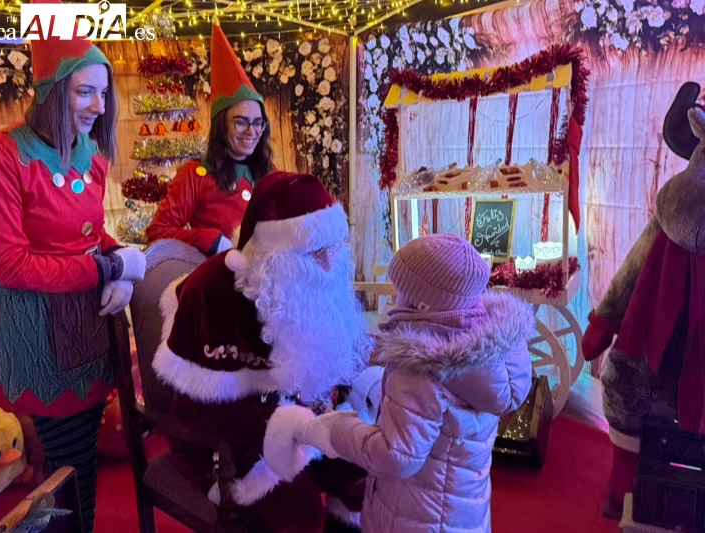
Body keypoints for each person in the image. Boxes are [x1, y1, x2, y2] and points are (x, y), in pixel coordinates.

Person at [0, 3, 145, 530]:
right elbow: (12, 265)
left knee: (82, 460)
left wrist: (120, 258)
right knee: (61, 467)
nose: (98, 106)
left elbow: (89, 234)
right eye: (84, 91)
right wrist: (108, 271)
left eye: (103, 92)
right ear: (51, 90)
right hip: (38, 337)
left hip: (86, 327)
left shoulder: (91, 153)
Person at [153, 171, 372, 532]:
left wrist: (331, 411)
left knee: (361, 472)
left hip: (298, 413)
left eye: (331, 248)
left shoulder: (318, 278)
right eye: (313, 253)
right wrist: (296, 426)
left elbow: (327, 366)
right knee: (300, 512)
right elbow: (203, 407)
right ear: (274, 253)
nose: (328, 266)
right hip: (224, 436)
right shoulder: (212, 292)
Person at [271, 234, 534, 533]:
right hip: (463, 515)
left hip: (413, 518)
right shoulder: (489, 353)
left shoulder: (420, 367)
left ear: (420, 303)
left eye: (400, 289)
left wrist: (334, 429)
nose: (395, 297)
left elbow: (396, 456)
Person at [581, 82, 705, 518]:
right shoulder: (666, 222)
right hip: (646, 355)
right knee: (623, 387)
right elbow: (632, 269)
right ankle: (623, 483)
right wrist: (604, 320)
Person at [145, 23, 274, 256]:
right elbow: (158, 231)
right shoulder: (195, 174)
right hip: (221, 275)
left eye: (258, 123)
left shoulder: (268, 171)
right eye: (241, 122)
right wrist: (208, 239)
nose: (252, 131)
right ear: (221, 124)